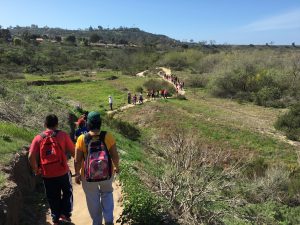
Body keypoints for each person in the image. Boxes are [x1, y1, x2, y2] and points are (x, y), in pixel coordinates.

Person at [28, 114, 75, 225]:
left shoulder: (38, 138)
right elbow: (73, 151)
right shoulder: (63, 135)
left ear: (45, 124)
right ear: (57, 124)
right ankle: (65, 214)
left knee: (52, 196)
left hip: (47, 174)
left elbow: (30, 156)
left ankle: (56, 218)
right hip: (63, 171)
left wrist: (36, 169)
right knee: (68, 192)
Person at [74, 111, 120, 225]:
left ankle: (97, 222)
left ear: (88, 124)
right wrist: (117, 167)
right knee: (107, 193)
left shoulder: (81, 139)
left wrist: (77, 173)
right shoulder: (108, 136)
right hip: (107, 173)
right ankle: (109, 220)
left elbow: (77, 160)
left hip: (88, 175)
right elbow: (115, 155)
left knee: (92, 199)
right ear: (100, 123)